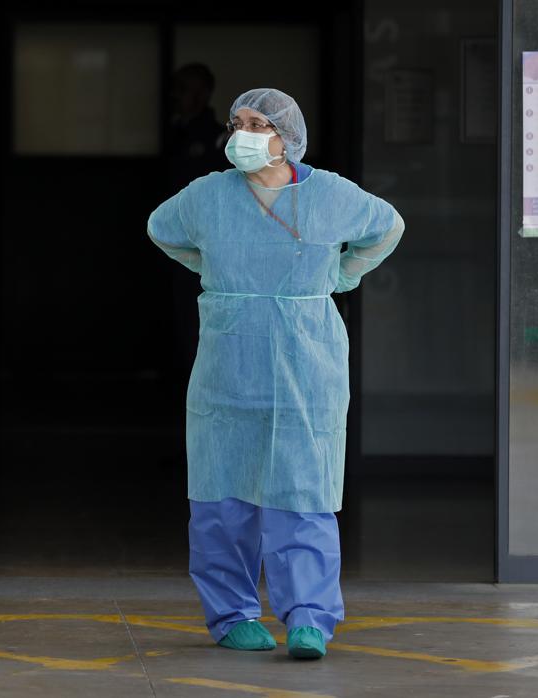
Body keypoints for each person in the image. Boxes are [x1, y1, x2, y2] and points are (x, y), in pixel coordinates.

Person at [147, 88, 403, 660]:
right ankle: (232, 614)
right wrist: (216, 269)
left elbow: (386, 227)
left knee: (302, 491)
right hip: (228, 362)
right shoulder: (208, 196)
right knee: (222, 496)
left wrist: (342, 274)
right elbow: (161, 229)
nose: (243, 133)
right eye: (238, 122)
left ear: (286, 137)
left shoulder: (332, 194)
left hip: (306, 362)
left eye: (258, 123)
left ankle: (309, 617)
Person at [165, 64, 230, 383]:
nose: (177, 97)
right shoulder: (174, 133)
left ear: (203, 94)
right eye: (175, 89)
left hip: (203, 245)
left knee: (198, 318)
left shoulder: (217, 139)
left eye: (184, 89)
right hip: (170, 238)